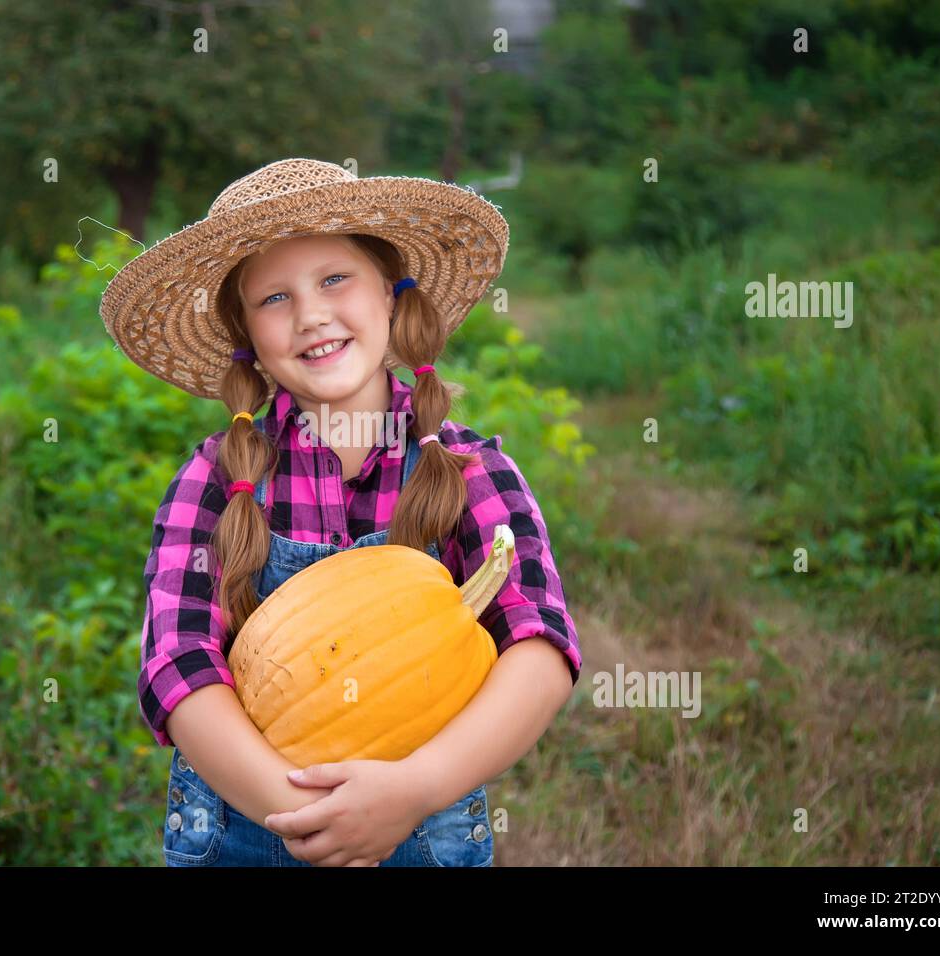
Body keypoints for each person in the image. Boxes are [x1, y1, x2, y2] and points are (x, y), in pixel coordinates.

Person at [100, 158, 583, 867]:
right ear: (249, 338)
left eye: (334, 279)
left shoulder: (472, 475)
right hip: (246, 830)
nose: (311, 316)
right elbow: (177, 665)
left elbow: (539, 649)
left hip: (423, 825)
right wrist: (310, 820)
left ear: (391, 294)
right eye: (274, 299)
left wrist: (414, 789)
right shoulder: (215, 479)